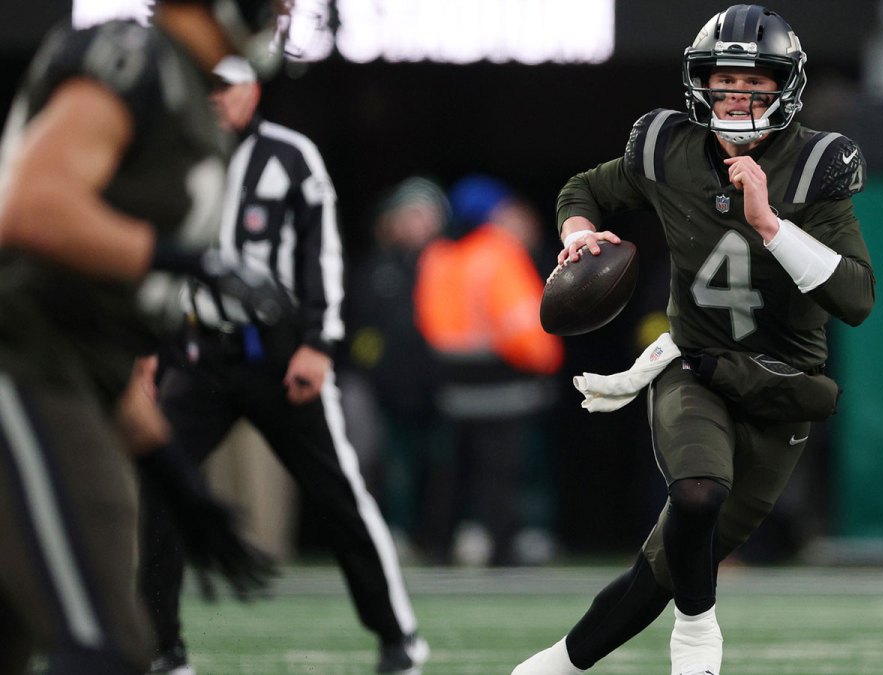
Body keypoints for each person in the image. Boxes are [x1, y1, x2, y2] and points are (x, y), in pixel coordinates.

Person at [512, 5, 874, 674]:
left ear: (784, 86)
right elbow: (583, 188)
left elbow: (855, 297)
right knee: (697, 492)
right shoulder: (670, 147)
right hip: (694, 366)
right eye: (723, 79)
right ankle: (699, 633)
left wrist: (771, 225)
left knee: (669, 562)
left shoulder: (817, 164)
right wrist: (577, 233)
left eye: (753, 82)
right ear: (699, 83)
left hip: (781, 384)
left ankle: (555, 666)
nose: (736, 94)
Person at [0, 2, 290, 673]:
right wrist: (193, 260)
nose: (285, 11)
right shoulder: (138, 59)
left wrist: (174, 474)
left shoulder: (188, 95)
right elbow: (34, 208)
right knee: (106, 646)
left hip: (62, 369)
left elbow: (102, 331)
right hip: (23, 363)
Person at [138, 56, 428, 674]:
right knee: (156, 487)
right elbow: (152, 252)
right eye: (205, 84)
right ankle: (163, 647)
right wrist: (146, 344)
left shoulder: (291, 156)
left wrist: (319, 343)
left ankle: (398, 636)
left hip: (279, 356)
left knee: (340, 495)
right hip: (199, 353)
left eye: (225, 86)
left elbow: (322, 252)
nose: (214, 98)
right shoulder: (174, 148)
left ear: (252, 88)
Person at [413, 174, 564, 566]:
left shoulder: (437, 255)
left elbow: (429, 323)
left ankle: (439, 546)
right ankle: (502, 548)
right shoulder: (499, 253)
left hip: (452, 384)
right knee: (501, 474)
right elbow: (524, 324)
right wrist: (546, 359)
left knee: (451, 474)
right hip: (504, 384)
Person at [342, 176, 450, 549]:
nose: (415, 223)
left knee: (441, 464)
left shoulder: (452, 262)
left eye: (423, 214)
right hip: (388, 390)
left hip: (443, 388)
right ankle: (397, 532)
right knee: (393, 467)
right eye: (408, 214)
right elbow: (359, 328)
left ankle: (439, 537)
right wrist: (374, 369)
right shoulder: (377, 267)